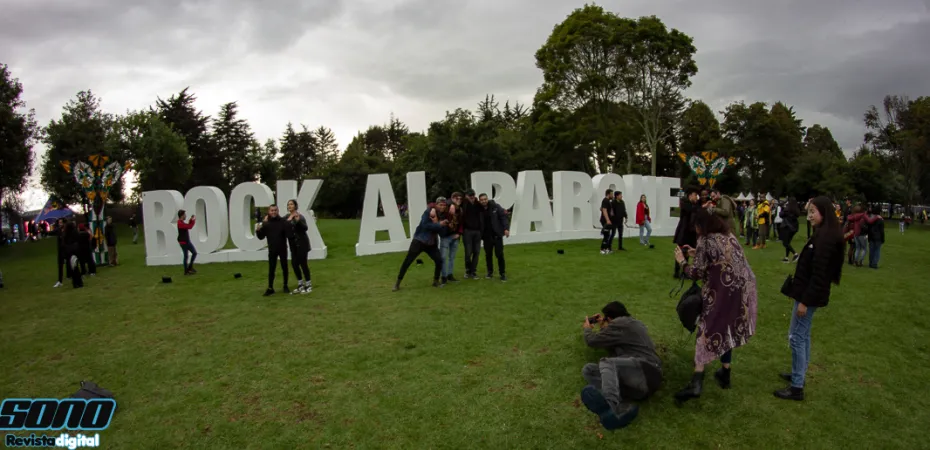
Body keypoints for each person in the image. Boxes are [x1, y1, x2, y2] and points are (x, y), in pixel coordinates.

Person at [673, 208, 758, 404]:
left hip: (722, 292)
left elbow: (696, 274)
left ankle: (696, 381)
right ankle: (725, 373)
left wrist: (682, 261)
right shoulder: (729, 236)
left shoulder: (706, 240)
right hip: (743, 291)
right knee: (727, 327)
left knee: (706, 328)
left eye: (696, 226)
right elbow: (719, 260)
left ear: (702, 226)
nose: (695, 230)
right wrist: (698, 253)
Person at [775, 196, 845, 401]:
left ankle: (797, 386)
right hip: (807, 293)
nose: (810, 216)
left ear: (824, 212)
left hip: (810, 296)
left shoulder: (825, 239)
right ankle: (799, 374)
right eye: (809, 211)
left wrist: (805, 301)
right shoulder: (822, 234)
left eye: (813, 212)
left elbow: (819, 275)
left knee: (796, 337)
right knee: (802, 336)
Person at [580, 301, 663, 430]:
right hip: (638, 386)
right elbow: (612, 346)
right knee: (589, 370)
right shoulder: (629, 325)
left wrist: (587, 329)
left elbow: (592, 341)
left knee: (606, 362)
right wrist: (604, 328)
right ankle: (622, 404)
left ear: (611, 318)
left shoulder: (622, 323)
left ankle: (614, 407)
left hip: (647, 371)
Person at [393, 205, 447, 291]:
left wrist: (439, 224)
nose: (442, 207)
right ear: (436, 205)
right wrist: (438, 224)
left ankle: (436, 281)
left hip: (431, 244)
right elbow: (426, 225)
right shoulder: (428, 212)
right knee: (408, 261)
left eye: (444, 205)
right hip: (419, 241)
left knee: (439, 260)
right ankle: (397, 283)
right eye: (440, 204)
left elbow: (443, 233)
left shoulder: (443, 217)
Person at [256, 205, 293, 296]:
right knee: (271, 269)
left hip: (282, 248)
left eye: (275, 210)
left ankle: (285, 285)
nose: (274, 212)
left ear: (278, 211)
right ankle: (270, 288)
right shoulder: (266, 223)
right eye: (272, 210)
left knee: (285, 267)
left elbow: (289, 234)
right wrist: (258, 230)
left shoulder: (282, 222)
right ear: (269, 211)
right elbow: (261, 237)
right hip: (272, 249)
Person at [480, 193, 510, 281]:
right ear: (480, 201)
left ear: (487, 199)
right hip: (486, 237)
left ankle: (502, 273)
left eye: (485, 199)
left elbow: (503, 217)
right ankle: (490, 272)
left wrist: (506, 229)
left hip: (497, 235)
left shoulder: (495, 207)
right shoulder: (479, 209)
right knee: (488, 255)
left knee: (499, 254)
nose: (483, 201)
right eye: (481, 200)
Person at [286, 199, 312, 294]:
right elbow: (283, 226)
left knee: (303, 263)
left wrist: (298, 221)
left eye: (291, 204)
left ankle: (308, 284)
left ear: (295, 206)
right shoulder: (286, 217)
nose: (290, 206)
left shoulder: (300, 216)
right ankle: (300, 283)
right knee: (294, 264)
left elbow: (305, 228)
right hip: (293, 245)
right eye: (288, 205)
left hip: (302, 243)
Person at [673, 187, 700, 278]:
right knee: (680, 251)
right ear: (690, 196)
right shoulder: (685, 204)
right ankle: (676, 272)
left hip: (690, 233)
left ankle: (685, 272)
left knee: (688, 252)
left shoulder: (694, 206)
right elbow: (690, 210)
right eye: (695, 195)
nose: (696, 197)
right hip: (683, 232)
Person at [440, 194, 463, 282]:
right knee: (443, 257)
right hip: (446, 236)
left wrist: (459, 233)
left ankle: (450, 274)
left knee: (452, 257)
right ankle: (444, 276)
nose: (459, 200)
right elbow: (435, 204)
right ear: (452, 198)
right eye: (457, 198)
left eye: (460, 198)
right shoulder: (446, 207)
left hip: (455, 236)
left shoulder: (460, 209)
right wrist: (451, 204)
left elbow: (461, 223)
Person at [461, 189, 483, 279]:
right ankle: (468, 270)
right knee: (468, 252)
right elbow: (452, 201)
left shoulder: (478, 204)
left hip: (477, 231)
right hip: (467, 231)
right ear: (466, 196)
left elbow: (487, 205)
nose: (472, 197)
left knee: (476, 252)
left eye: (473, 195)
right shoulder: (464, 204)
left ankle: (473, 271)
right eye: (470, 195)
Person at [780, 197, 802, 263]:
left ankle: (795, 254)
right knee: (788, 243)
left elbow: (781, 214)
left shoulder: (787, 209)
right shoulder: (796, 210)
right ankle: (786, 258)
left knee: (785, 243)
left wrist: (783, 208)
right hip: (794, 228)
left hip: (787, 227)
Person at [63, 221, 83, 288]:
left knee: (72, 269)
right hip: (75, 252)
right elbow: (79, 240)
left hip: (69, 253)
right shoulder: (75, 232)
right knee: (76, 268)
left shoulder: (65, 234)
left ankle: (75, 283)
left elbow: (64, 244)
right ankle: (79, 283)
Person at [177, 210, 197, 275]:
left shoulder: (181, 222)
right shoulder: (180, 223)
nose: (185, 216)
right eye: (184, 215)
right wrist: (193, 220)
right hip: (184, 242)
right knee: (186, 256)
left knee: (194, 253)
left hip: (186, 241)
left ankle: (190, 267)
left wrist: (191, 220)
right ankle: (186, 271)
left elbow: (187, 225)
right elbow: (189, 227)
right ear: (182, 215)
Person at [52, 219, 68, 288]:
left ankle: (75, 276)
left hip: (67, 249)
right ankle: (60, 281)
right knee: (60, 265)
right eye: (59, 223)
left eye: (61, 222)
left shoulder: (67, 230)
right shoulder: (58, 230)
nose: (60, 224)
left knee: (71, 264)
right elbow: (52, 232)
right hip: (61, 250)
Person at [599, 189, 615, 254]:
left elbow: (602, 209)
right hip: (604, 220)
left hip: (607, 220)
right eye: (612, 194)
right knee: (606, 234)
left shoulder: (608, 201)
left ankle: (606, 248)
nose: (612, 195)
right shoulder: (605, 200)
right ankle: (602, 249)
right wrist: (608, 220)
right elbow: (604, 210)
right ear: (608, 194)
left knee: (607, 235)